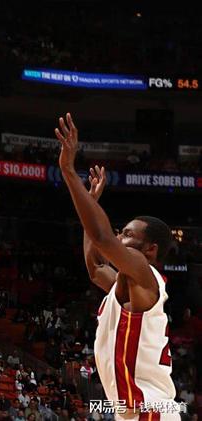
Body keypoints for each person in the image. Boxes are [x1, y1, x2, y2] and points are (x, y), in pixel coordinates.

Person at [55, 113, 178, 420]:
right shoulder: (128, 282)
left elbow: (102, 238)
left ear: (150, 250)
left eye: (128, 235)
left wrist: (68, 171)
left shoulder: (144, 273)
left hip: (150, 409)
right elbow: (95, 266)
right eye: (121, 233)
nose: (120, 239)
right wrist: (92, 201)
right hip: (136, 410)